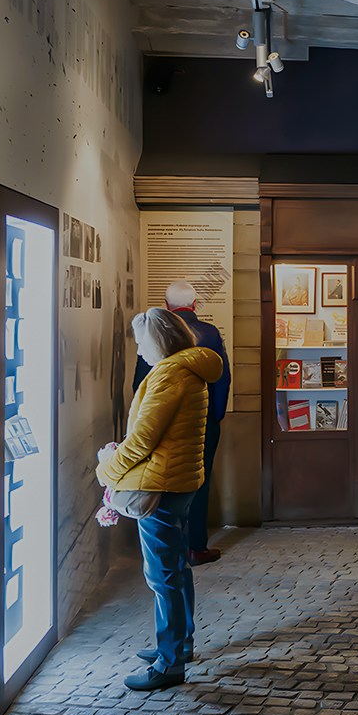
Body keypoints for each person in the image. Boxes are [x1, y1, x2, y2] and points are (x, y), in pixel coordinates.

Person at [103, 307, 223, 691]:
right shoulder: (192, 369)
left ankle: (170, 662)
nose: (138, 351)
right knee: (176, 567)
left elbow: (141, 440)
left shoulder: (169, 374)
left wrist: (107, 471)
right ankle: (179, 644)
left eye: (140, 342)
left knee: (162, 575)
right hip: (181, 480)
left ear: (157, 340)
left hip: (160, 484)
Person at [133, 282, 230, 566]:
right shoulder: (210, 333)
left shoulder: (153, 331)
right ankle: (196, 546)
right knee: (200, 478)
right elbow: (222, 378)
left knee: (162, 479)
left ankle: (169, 545)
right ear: (195, 303)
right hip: (203, 418)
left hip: (161, 421)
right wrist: (216, 415)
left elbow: (139, 381)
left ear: (166, 305)